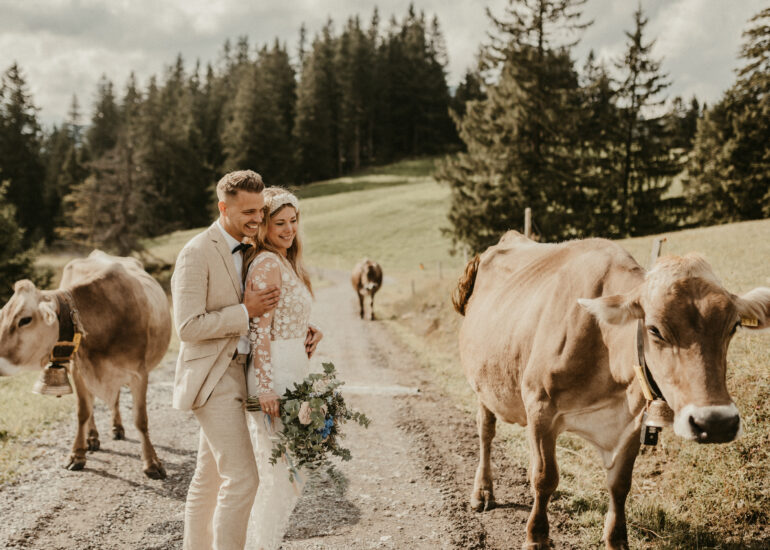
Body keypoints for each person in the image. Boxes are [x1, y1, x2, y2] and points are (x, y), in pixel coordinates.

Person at [171, 170, 280, 550]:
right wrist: (243, 311)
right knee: (243, 478)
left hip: (241, 372)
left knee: (210, 477)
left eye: (260, 210)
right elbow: (186, 327)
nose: (257, 218)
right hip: (213, 377)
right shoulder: (196, 252)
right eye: (248, 211)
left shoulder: (252, 249)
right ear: (223, 207)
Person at [243, 186, 323, 550]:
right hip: (274, 375)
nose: (289, 229)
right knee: (278, 475)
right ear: (265, 227)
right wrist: (265, 388)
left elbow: (282, 318)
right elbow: (258, 330)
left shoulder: (287, 261)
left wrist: (306, 330)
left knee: (293, 472)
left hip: (294, 368)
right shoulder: (267, 263)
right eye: (280, 223)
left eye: (293, 221)